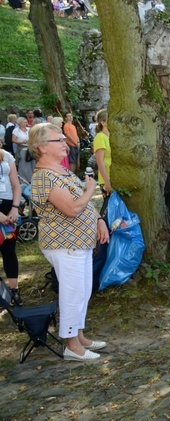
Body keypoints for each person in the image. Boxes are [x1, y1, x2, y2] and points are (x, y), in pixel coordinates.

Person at [29, 123, 110, 361]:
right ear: (42, 147)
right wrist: (91, 189)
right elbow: (73, 208)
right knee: (72, 292)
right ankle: (71, 344)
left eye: (64, 139)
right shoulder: (44, 177)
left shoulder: (61, 172)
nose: (66, 144)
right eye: (59, 140)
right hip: (64, 244)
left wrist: (99, 220)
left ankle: (80, 335)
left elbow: (83, 205)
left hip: (79, 243)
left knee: (83, 290)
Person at [0, 146, 23, 305]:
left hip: (8, 210)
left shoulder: (7, 156)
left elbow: (16, 185)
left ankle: (14, 291)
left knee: (9, 250)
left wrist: (15, 208)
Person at [92, 109, 112, 195]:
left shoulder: (111, 137)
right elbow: (99, 161)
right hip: (107, 177)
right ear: (103, 122)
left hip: (114, 175)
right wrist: (107, 181)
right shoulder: (100, 137)